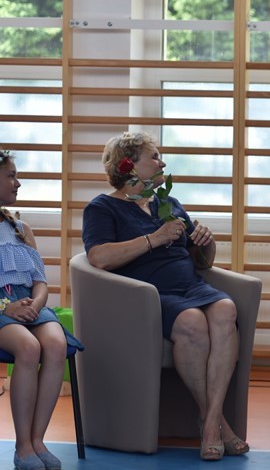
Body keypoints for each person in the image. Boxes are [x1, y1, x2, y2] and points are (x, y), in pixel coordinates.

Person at [80, 132, 248, 461]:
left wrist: (205, 241)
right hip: (149, 295)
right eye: (154, 157)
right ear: (129, 165)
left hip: (190, 286)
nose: (162, 163)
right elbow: (99, 257)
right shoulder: (102, 207)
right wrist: (154, 239)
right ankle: (217, 427)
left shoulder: (167, 203)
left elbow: (202, 262)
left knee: (226, 309)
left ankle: (210, 421)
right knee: (192, 322)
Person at [0, 150, 84, 470]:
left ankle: (37, 441)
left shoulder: (21, 228)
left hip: (29, 304)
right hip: (3, 308)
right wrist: (7, 309)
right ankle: (22, 447)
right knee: (28, 346)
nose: (18, 183)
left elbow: (40, 282)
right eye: (11, 176)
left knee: (56, 343)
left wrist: (36, 304)